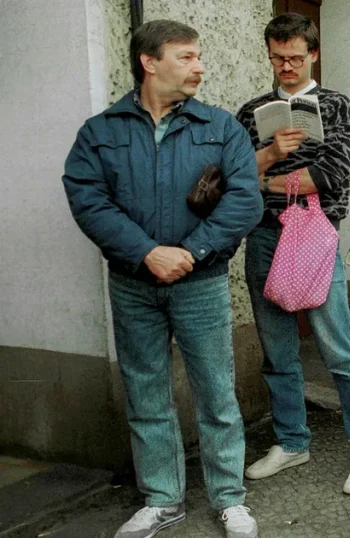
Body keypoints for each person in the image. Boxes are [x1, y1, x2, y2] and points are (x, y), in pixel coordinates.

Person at [62, 20, 263, 538]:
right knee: (146, 391)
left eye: (199, 57)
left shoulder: (222, 127)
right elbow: (87, 199)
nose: (200, 66)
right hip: (134, 285)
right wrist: (147, 252)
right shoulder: (100, 132)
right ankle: (161, 498)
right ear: (149, 62)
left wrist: (189, 251)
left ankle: (229, 498)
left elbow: (245, 199)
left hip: (201, 283)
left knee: (217, 392)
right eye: (187, 56)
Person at [236, 14, 350, 495]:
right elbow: (233, 176)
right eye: (278, 57)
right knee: (278, 351)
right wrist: (269, 159)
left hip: (316, 231)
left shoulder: (336, 103)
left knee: (338, 346)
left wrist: (269, 180)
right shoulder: (251, 110)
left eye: (296, 57)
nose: (286, 65)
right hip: (263, 233)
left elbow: (335, 170)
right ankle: (291, 441)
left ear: (313, 54)